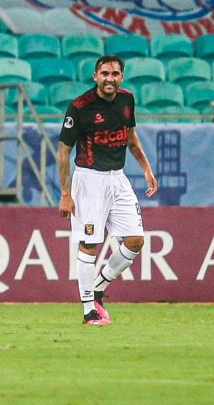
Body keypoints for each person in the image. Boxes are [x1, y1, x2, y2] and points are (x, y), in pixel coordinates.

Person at [57, 54, 158, 326]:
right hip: (89, 181)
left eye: (114, 74)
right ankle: (89, 310)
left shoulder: (127, 100)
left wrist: (147, 168)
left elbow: (130, 138)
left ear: (121, 77)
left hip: (118, 178)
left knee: (136, 240)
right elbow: (63, 152)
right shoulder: (80, 107)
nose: (109, 79)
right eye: (104, 74)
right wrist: (66, 194)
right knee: (90, 244)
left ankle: (99, 286)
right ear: (95, 76)